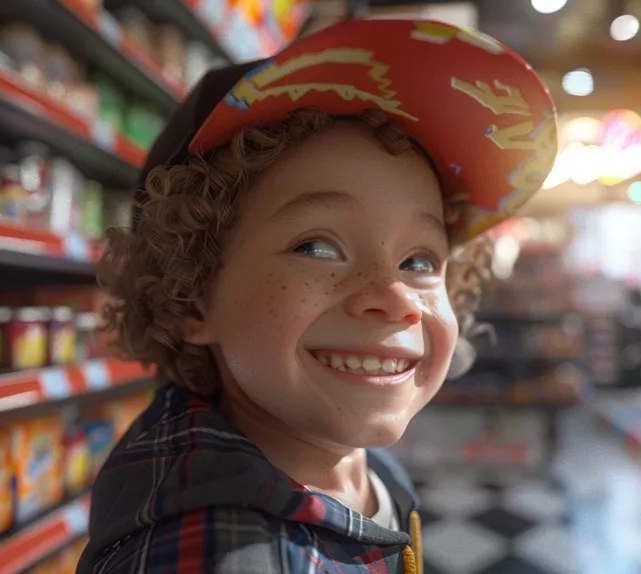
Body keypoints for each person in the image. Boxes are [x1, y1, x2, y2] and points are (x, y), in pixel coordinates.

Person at [77, 18, 557, 574]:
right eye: (317, 248)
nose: (394, 296)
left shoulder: (348, 460)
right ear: (193, 298)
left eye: (420, 261)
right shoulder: (220, 553)